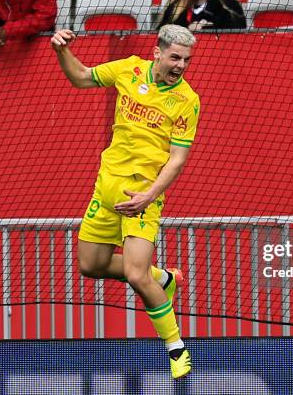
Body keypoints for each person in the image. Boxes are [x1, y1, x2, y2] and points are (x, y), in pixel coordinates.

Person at [50, 24, 200, 379]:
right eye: (175, 57)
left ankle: (176, 347)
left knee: (134, 273)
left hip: (142, 195)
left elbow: (177, 159)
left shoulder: (187, 100)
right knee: (91, 265)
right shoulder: (128, 69)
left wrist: (150, 194)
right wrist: (61, 50)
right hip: (107, 188)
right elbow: (83, 77)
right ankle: (163, 278)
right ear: (157, 53)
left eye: (187, 60)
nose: (180, 65)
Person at [158, 0, 246, 31]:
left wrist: (206, 29)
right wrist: (187, 30)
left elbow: (238, 35)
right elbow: (162, 33)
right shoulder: (176, 5)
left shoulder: (229, 4)